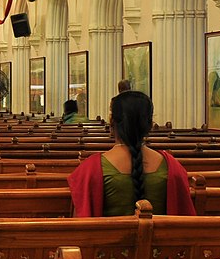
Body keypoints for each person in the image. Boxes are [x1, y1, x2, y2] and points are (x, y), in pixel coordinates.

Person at [67, 90, 195, 217]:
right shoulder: (171, 166)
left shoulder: (91, 169)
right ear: (150, 125)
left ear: (112, 123)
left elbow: (78, 226)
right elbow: (185, 223)